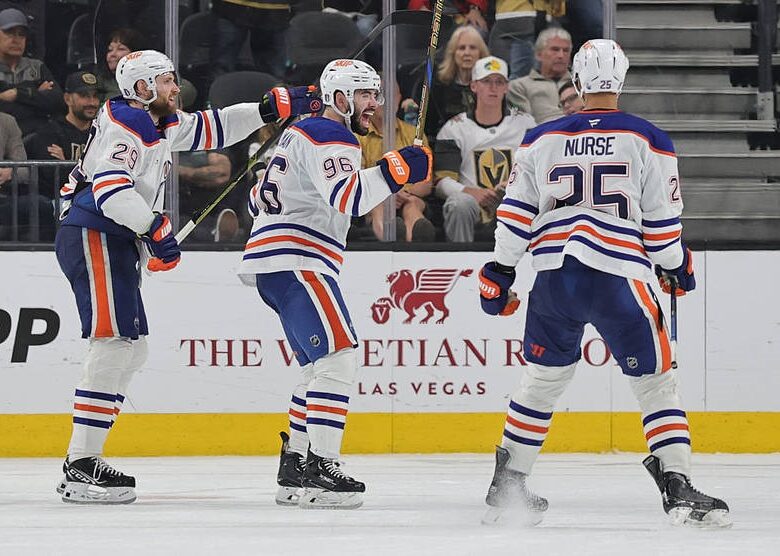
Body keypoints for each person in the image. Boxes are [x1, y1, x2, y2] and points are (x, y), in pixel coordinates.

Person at [478, 40, 731, 528]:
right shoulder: (649, 137)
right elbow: (661, 227)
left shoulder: (539, 138)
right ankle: (677, 485)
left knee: (542, 381)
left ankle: (507, 485)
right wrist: (678, 266)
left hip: (554, 278)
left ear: (575, 80)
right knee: (656, 382)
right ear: (622, 79)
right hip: (618, 276)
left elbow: (515, 215)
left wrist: (500, 271)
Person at [54, 49, 321, 504]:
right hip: (94, 233)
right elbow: (110, 191)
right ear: (142, 88)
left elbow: (212, 127)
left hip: (111, 237)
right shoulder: (128, 124)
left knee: (131, 349)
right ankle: (80, 465)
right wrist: (154, 228)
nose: (176, 88)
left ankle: (85, 460)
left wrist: (268, 109)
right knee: (114, 344)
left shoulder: (154, 121)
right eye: (167, 81)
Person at [238, 59, 431, 509]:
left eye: (376, 94)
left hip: (277, 262)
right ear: (339, 98)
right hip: (298, 259)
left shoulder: (297, 132)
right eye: (365, 94)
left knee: (316, 368)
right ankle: (322, 468)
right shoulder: (332, 134)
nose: (374, 104)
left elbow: (255, 199)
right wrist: (398, 168)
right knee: (338, 357)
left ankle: (296, 465)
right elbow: (349, 197)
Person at [434, 56, 535, 243]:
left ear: (507, 87)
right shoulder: (454, 128)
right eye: (486, 81)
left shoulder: (525, 124)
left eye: (499, 82)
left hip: (513, 200)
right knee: (459, 203)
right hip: (473, 205)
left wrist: (514, 185)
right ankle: (461, 258)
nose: (493, 87)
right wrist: (470, 192)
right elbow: (441, 182)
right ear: (474, 86)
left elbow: (537, 170)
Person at [356, 78, 434, 242]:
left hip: (409, 197)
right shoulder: (357, 136)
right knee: (379, 206)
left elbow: (426, 183)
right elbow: (358, 180)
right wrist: (389, 193)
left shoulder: (415, 134)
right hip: (374, 200)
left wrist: (403, 193)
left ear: (399, 98)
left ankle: (416, 246)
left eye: (392, 94)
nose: (387, 100)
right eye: (380, 95)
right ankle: (391, 242)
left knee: (412, 206)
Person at [403, 25, 489, 143]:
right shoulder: (435, 84)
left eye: (473, 48)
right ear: (453, 53)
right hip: (443, 144)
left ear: (481, 53)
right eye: (461, 48)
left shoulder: (492, 85)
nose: (467, 53)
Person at [26, 70, 101, 202]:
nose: (92, 102)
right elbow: (54, 178)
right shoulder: (50, 132)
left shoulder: (102, 132)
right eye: (84, 96)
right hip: (59, 203)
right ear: (67, 99)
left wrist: (66, 164)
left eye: (95, 96)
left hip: (96, 200)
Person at [0, 7, 65, 137]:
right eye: (10, 33)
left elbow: (58, 102)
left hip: (35, 138)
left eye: (21, 34)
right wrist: (36, 95)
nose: (16, 39)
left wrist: (17, 93)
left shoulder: (36, 66)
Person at [507, 26, 572, 124]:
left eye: (566, 50)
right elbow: (525, 124)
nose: (561, 55)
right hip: (542, 132)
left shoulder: (582, 84)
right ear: (538, 54)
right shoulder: (519, 86)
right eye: (555, 49)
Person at [489, 0, 565, 80]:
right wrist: (541, 9)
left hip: (503, 17)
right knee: (525, 76)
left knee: (500, 72)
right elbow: (558, 9)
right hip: (533, 16)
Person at [100, 28, 146, 100]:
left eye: (121, 49)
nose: (112, 54)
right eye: (110, 50)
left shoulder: (148, 85)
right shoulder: (98, 83)